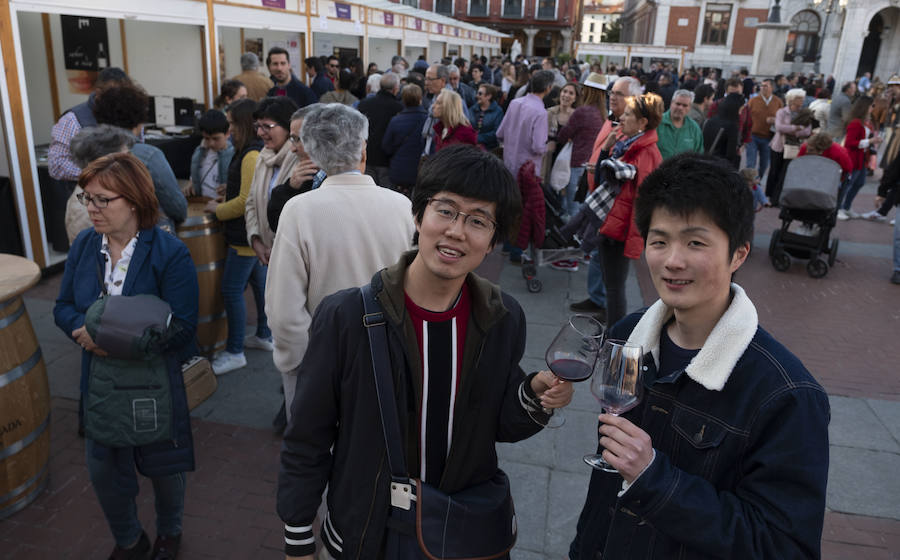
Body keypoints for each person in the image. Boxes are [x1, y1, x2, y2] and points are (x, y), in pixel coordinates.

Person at [276, 145, 573, 559]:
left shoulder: (502, 318)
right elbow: (307, 435)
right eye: (445, 210)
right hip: (367, 532)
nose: (456, 231)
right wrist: (298, 537)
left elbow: (498, 425)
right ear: (418, 216)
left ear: (492, 241)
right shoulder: (347, 317)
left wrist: (534, 396)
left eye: (478, 221)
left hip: (458, 532)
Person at [568, 152, 830, 560]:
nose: (673, 260)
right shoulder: (627, 339)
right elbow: (605, 486)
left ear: (739, 254)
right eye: (659, 241)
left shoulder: (786, 395)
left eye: (695, 242)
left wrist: (655, 479)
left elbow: (784, 546)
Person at [54, 152, 199, 560]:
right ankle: (129, 539)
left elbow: (185, 327)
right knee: (103, 471)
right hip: (99, 380)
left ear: (134, 200)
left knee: (164, 467)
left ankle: (169, 533)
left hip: (152, 382)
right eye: (88, 199)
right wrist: (82, 333)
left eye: (104, 199)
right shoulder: (85, 245)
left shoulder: (169, 252)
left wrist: (114, 340)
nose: (92, 209)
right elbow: (62, 306)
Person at [265, 103, 415, 423]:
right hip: (387, 357)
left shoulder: (299, 210)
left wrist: (298, 364)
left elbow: (284, 308)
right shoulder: (402, 206)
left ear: (314, 154)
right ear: (363, 148)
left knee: (316, 458)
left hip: (321, 362)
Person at [200, 99, 274, 376]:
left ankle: (234, 352)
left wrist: (217, 209)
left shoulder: (250, 154)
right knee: (258, 285)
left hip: (243, 237)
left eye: (231, 122)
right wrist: (226, 191)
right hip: (248, 235)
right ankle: (265, 335)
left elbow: (245, 201)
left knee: (232, 291)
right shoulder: (249, 152)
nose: (229, 127)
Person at [582, 92, 664, 327]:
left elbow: (642, 204)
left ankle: (614, 340)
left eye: (628, 114)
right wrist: (606, 151)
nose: (622, 117)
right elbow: (600, 180)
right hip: (610, 225)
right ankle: (610, 332)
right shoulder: (625, 144)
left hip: (619, 232)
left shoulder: (645, 152)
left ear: (642, 122)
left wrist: (633, 241)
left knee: (615, 288)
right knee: (611, 285)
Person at [569, 75, 644, 319]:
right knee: (598, 258)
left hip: (614, 212)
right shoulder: (612, 121)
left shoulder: (633, 134)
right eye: (612, 92)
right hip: (600, 200)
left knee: (614, 279)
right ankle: (598, 299)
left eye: (619, 94)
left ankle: (608, 315)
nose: (612, 96)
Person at [92, 82, 187, 231]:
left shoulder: (90, 154)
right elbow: (177, 207)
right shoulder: (148, 156)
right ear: (138, 121)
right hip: (145, 238)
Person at [48, 67, 130, 188]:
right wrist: (98, 174)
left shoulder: (129, 113)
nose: (121, 101)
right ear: (99, 92)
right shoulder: (72, 119)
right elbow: (57, 165)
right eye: (115, 96)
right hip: (87, 195)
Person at [244, 96, 299, 270]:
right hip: (267, 254)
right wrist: (255, 239)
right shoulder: (263, 156)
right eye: (258, 126)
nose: (260, 133)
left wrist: (277, 249)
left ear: (288, 128)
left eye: (267, 126)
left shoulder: (301, 160)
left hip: (292, 256)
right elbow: (251, 202)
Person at [66, 125, 136, 243]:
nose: (132, 160)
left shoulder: (111, 187)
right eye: (126, 156)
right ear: (104, 161)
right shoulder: (83, 209)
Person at [267, 104, 326, 232]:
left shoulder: (343, 177)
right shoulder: (305, 176)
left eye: (297, 139)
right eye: (291, 139)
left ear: (320, 138)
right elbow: (277, 224)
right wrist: (290, 188)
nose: (292, 149)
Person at [557, 73, 608, 219]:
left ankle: (569, 240)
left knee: (572, 209)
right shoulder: (604, 114)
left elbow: (562, 136)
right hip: (592, 165)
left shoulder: (582, 111)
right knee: (583, 208)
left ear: (588, 91)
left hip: (575, 164)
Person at [496, 69, 553, 178]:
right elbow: (538, 147)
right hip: (527, 171)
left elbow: (500, 133)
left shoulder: (515, 103)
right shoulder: (540, 112)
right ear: (548, 88)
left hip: (508, 164)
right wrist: (548, 147)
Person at [766, 88, 813, 206]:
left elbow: (807, 131)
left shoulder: (805, 113)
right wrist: (796, 128)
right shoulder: (782, 112)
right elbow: (779, 127)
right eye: (799, 98)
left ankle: (777, 198)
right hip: (779, 146)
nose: (802, 100)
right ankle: (769, 195)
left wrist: (793, 132)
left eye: (802, 98)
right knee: (774, 172)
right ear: (792, 99)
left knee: (785, 173)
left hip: (793, 147)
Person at [838, 96, 882, 220]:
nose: (873, 108)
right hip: (853, 157)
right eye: (872, 105)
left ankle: (846, 206)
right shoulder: (856, 122)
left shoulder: (863, 122)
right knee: (848, 184)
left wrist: (871, 141)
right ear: (865, 106)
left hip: (861, 157)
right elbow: (850, 143)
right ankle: (839, 208)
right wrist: (870, 141)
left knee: (859, 182)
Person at [357, 72, 403, 189]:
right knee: (386, 197)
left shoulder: (364, 104)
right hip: (386, 160)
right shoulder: (398, 107)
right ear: (395, 88)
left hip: (367, 156)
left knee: (368, 194)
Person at [383, 84, 428, 194]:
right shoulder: (427, 120)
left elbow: (386, 147)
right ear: (420, 99)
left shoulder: (396, 120)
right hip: (418, 171)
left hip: (398, 169)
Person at [185, 110, 234, 199]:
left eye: (216, 139)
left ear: (227, 134)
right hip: (201, 202)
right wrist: (191, 183)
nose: (211, 143)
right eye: (207, 138)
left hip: (221, 205)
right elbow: (194, 175)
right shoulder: (199, 152)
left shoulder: (234, 155)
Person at [542, 81, 579, 185]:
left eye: (571, 93)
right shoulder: (549, 112)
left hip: (566, 160)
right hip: (548, 158)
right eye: (565, 91)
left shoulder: (577, 116)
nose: (566, 95)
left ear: (575, 98)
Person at [745, 78, 783, 179]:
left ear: (772, 88)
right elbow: (746, 117)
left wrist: (775, 120)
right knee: (750, 164)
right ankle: (750, 184)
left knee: (764, 165)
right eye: (761, 86)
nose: (762, 88)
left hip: (768, 138)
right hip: (753, 136)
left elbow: (782, 118)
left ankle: (758, 181)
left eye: (765, 86)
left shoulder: (778, 102)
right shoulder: (753, 101)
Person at [656, 89, 704, 160]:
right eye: (678, 104)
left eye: (685, 105)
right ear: (671, 103)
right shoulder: (657, 123)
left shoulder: (694, 128)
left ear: (690, 107)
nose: (680, 108)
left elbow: (699, 155)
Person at [702, 92, 743, 168]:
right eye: (741, 108)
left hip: (704, 161)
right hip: (719, 167)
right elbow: (730, 155)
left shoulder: (710, 120)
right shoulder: (732, 126)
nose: (741, 112)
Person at [469, 83, 504, 152]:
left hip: (490, 149)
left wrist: (478, 138)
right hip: (472, 147)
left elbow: (496, 133)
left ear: (488, 96)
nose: (477, 96)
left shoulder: (498, 111)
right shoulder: (472, 109)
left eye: (480, 94)